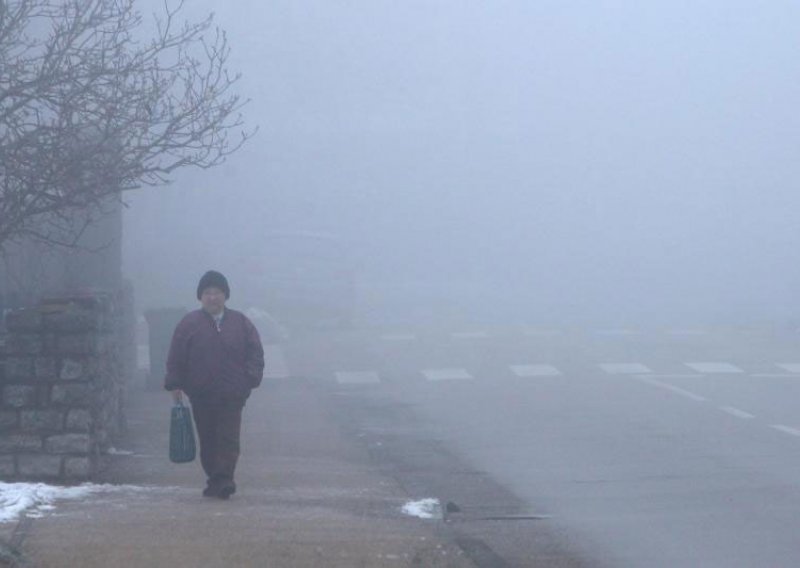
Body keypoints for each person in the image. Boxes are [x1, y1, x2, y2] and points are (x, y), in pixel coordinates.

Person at [164, 270, 265, 499]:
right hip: (201, 393)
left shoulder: (241, 323)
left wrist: (248, 379)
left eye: (217, 292)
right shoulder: (189, 324)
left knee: (228, 438)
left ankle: (224, 478)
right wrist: (175, 385)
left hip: (232, 394)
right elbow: (176, 356)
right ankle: (215, 478)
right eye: (208, 293)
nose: (212, 297)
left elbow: (255, 353)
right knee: (208, 439)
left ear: (225, 296)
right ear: (201, 297)